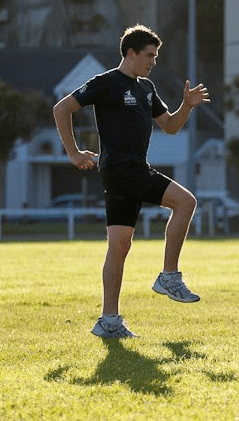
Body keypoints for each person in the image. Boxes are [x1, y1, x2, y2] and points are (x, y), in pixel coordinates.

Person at [52, 24, 210, 338]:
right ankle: (169, 276)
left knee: (119, 246)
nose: (153, 61)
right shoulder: (106, 82)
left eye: (156, 56)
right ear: (131, 53)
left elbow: (170, 126)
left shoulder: (147, 88)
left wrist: (188, 106)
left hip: (131, 169)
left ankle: (108, 320)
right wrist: (72, 152)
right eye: (149, 55)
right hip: (122, 169)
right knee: (186, 201)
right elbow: (62, 107)